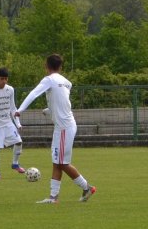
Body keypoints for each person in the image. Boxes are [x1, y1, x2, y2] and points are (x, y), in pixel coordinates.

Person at [15, 53, 96, 204]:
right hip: (64, 126)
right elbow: (62, 103)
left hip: (64, 127)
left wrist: (20, 109)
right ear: (60, 66)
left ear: (46, 66)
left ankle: (87, 187)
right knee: (57, 161)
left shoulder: (49, 80)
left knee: (62, 163)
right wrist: (49, 110)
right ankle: (53, 197)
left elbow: (33, 94)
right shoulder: (66, 82)